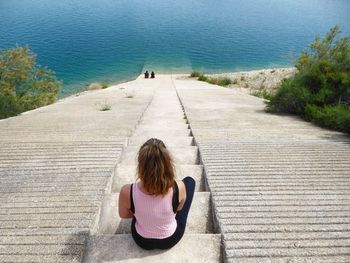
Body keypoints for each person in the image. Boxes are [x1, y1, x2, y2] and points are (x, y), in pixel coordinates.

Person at [118, 138, 195, 250]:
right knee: (189, 181)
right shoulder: (179, 187)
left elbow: (124, 215)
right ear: (168, 163)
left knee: (135, 209)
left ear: (140, 165)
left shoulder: (127, 191)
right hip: (170, 239)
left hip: (141, 240)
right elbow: (179, 208)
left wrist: (142, 211)